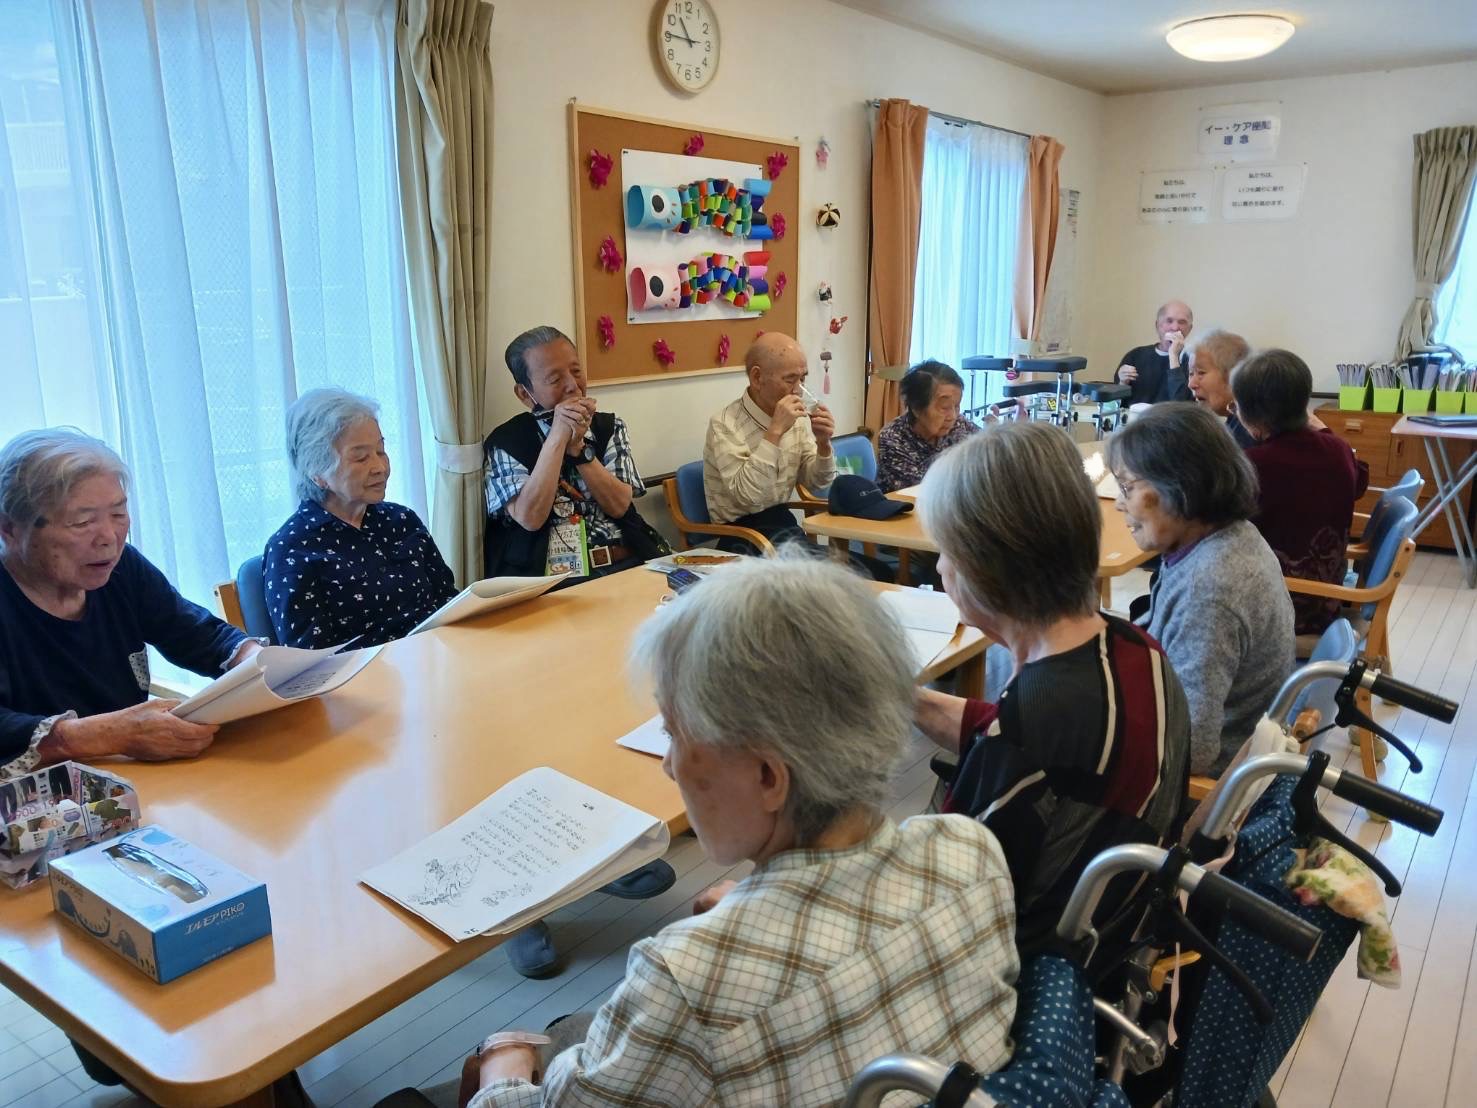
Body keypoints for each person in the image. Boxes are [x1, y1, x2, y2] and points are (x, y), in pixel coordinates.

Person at [458, 554, 1019, 1107]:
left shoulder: (687, 980)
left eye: (674, 735)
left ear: (768, 777)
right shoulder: (970, 850)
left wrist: (503, 1068)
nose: (669, 766)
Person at [912, 424, 1190, 953]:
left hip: (1035, 965)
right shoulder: (1132, 647)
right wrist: (904, 696)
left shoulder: (1030, 727)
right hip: (1119, 928)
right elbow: (1005, 736)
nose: (941, 566)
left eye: (945, 551)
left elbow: (943, 917)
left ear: (983, 569)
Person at [0, 429, 260, 781]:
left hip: (133, 783)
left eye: (119, 514)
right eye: (82, 522)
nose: (109, 538)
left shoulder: (122, 569)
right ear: (9, 528)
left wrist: (256, 661)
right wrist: (107, 734)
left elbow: (194, 632)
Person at [1107, 404, 1295, 777]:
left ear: (1180, 487)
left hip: (1205, 781)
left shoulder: (1209, 591)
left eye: (1128, 487)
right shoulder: (1228, 535)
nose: (1119, 503)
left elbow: (1192, 750)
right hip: (1198, 723)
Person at [263, 389, 455, 650]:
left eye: (381, 451)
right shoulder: (292, 549)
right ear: (317, 472)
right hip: (365, 673)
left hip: (437, 658)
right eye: (361, 457)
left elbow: (448, 601)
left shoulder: (402, 521)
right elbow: (310, 659)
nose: (380, 467)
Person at [484, 326, 663, 580]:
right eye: (555, 379)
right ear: (525, 393)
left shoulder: (609, 427)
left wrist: (578, 449)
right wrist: (557, 438)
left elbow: (620, 505)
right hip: (551, 579)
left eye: (576, 371)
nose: (573, 386)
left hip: (626, 561)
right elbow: (529, 517)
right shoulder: (504, 442)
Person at [1232, 349, 1369, 638]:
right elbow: (1359, 482)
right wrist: (1323, 428)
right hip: (1326, 599)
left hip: (1279, 610)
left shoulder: (1254, 465)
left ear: (1251, 416)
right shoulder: (1339, 449)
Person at [703, 332, 836, 544]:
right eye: (790, 380)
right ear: (757, 378)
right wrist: (774, 432)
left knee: (860, 564)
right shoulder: (725, 424)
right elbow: (748, 497)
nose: (798, 390)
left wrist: (823, 444)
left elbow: (817, 482)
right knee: (823, 566)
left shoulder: (796, 419)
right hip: (741, 536)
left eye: (803, 379)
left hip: (782, 526)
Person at [875, 360, 981, 492]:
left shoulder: (960, 424)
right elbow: (924, 490)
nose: (953, 416)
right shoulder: (893, 438)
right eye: (944, 408)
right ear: (916, 408)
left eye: (957, 406)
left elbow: (987, 454)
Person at [1185, 328, 1257, 448]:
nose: (1191, 384)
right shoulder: (1235, 424)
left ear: (1233, 374)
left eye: (1201, 373)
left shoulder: (1252, 432)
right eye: (1191, 374)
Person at [1116, 300, 1195, 406]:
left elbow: (1182, 406)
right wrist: (1122, 383)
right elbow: (1114, 406)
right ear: (1158, 325)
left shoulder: (1193, 362)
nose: (1175, 328)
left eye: (1182, 322)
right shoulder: (1135, 356)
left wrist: (1174, 356)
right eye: (1169, 321)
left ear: (1189, 329)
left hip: (1171, 417)